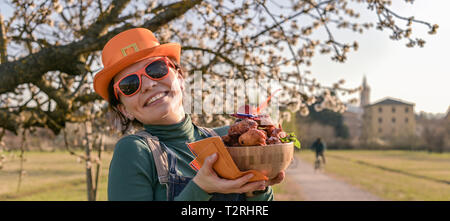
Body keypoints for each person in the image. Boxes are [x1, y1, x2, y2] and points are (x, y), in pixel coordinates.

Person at [93, 28, 285, 201]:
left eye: (156, 69)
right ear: (124, 109)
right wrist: (200, 189)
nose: (149, 84)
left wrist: (258, 186)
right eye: (130, 85)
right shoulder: (135, 151)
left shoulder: (230, 141)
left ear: (180, 77)